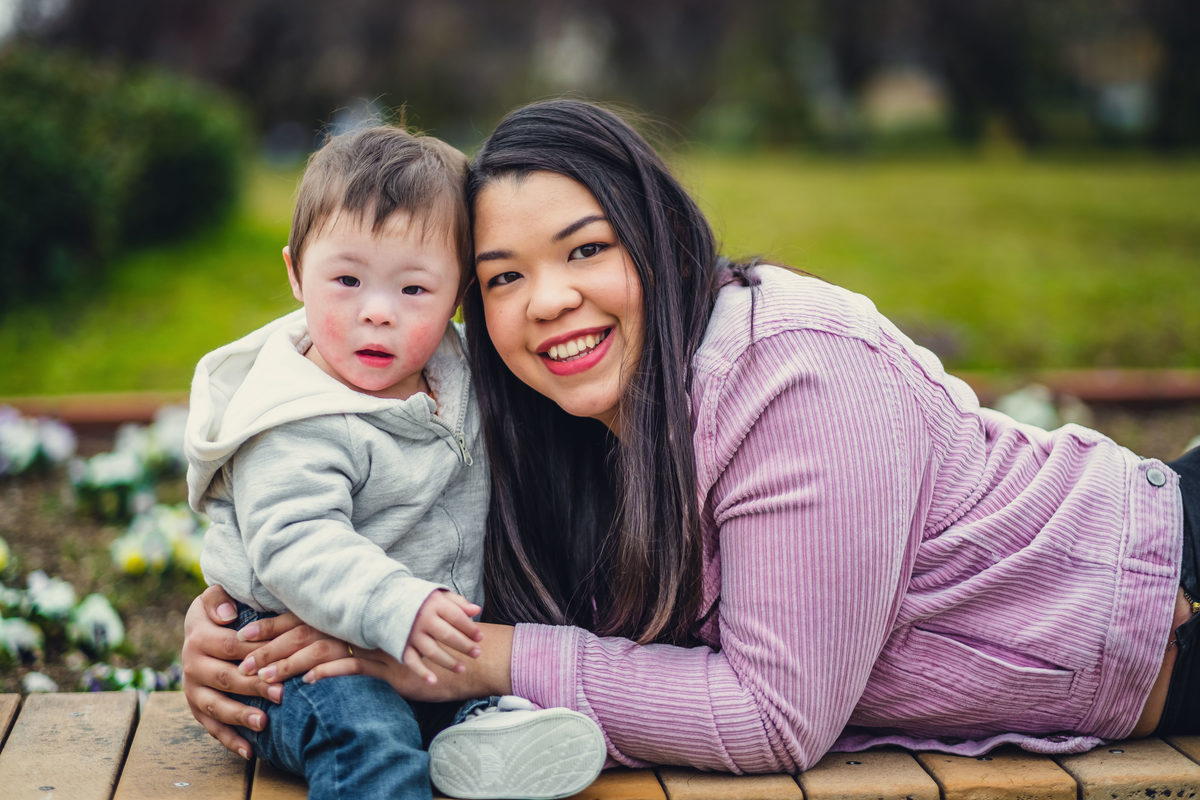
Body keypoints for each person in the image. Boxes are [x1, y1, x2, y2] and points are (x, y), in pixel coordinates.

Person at [181, 99, 1200, 778]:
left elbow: (773, 713)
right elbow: (421, 537)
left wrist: (472, 659)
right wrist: (238, 631)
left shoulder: (798, 372)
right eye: (501, 276)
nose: (549, 301)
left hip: (1161, 595)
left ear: (660, 237)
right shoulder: (549, 419)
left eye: (586, 249)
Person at [183, 123, 604, 800]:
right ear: (295, 273)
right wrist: (399, 607)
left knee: (471, 700)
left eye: (414, 291)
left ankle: (485, 741)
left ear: (457, 292)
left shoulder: (459, 371)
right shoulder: (295, 416)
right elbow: (294, 541)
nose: (377, 313)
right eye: (347, 280)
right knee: (370, 735)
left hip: (418, 644)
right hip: (297, 661)